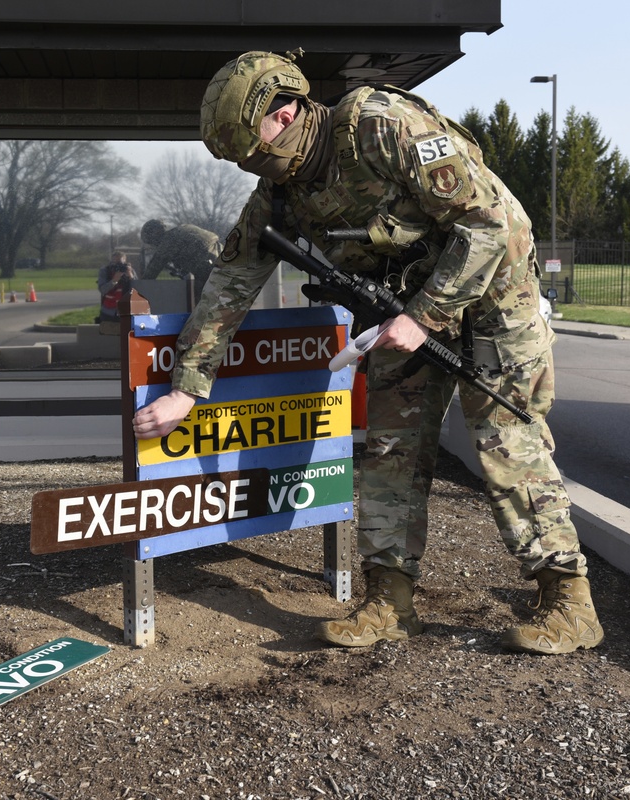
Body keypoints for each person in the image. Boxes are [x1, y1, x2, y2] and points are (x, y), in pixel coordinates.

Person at [132, 50, 604, 655]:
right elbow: (231, 282)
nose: (256, 168)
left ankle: (568, 602)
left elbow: (492, 223)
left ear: (286, 113)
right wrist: (186, 386)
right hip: (401, 314)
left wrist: (427, 314)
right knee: (389, 449)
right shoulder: (281, 195)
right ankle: (389, 602)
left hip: (494, 297)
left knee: (507, 440)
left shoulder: (381, 126)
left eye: (255, 152)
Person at [139, 219, 221, 298]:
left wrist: (138, 289)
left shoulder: (168, 242)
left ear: (154, 237)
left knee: (200, 298)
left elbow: (153, 269)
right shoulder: (184, 228)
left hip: (210, 267)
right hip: (222, 255)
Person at [96, 251, 136, 333]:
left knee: (126, 336)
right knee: (107, 334)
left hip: (126, 310)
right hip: (108, 310)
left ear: (125, 262)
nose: (118, 266)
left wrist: (131, 277)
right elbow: (102, 290)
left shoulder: (129, 270)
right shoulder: (105, 271)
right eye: (115, 263)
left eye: (121, 263)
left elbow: (138, 289)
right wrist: (114, 280)